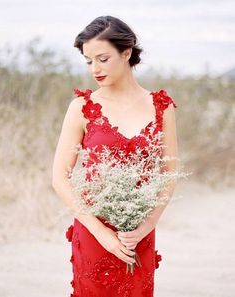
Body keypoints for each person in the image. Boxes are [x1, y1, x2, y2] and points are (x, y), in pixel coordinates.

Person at [52, 15, 178, 297]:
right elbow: (60, 178)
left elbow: (169, 175)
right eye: (88, 61)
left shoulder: (161, 107)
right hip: (94, 232)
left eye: (102, 58)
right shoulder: (82, 107)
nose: (94, 68)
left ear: (126, 52)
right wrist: (101, 233)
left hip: (138, 235)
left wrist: (147, 226)